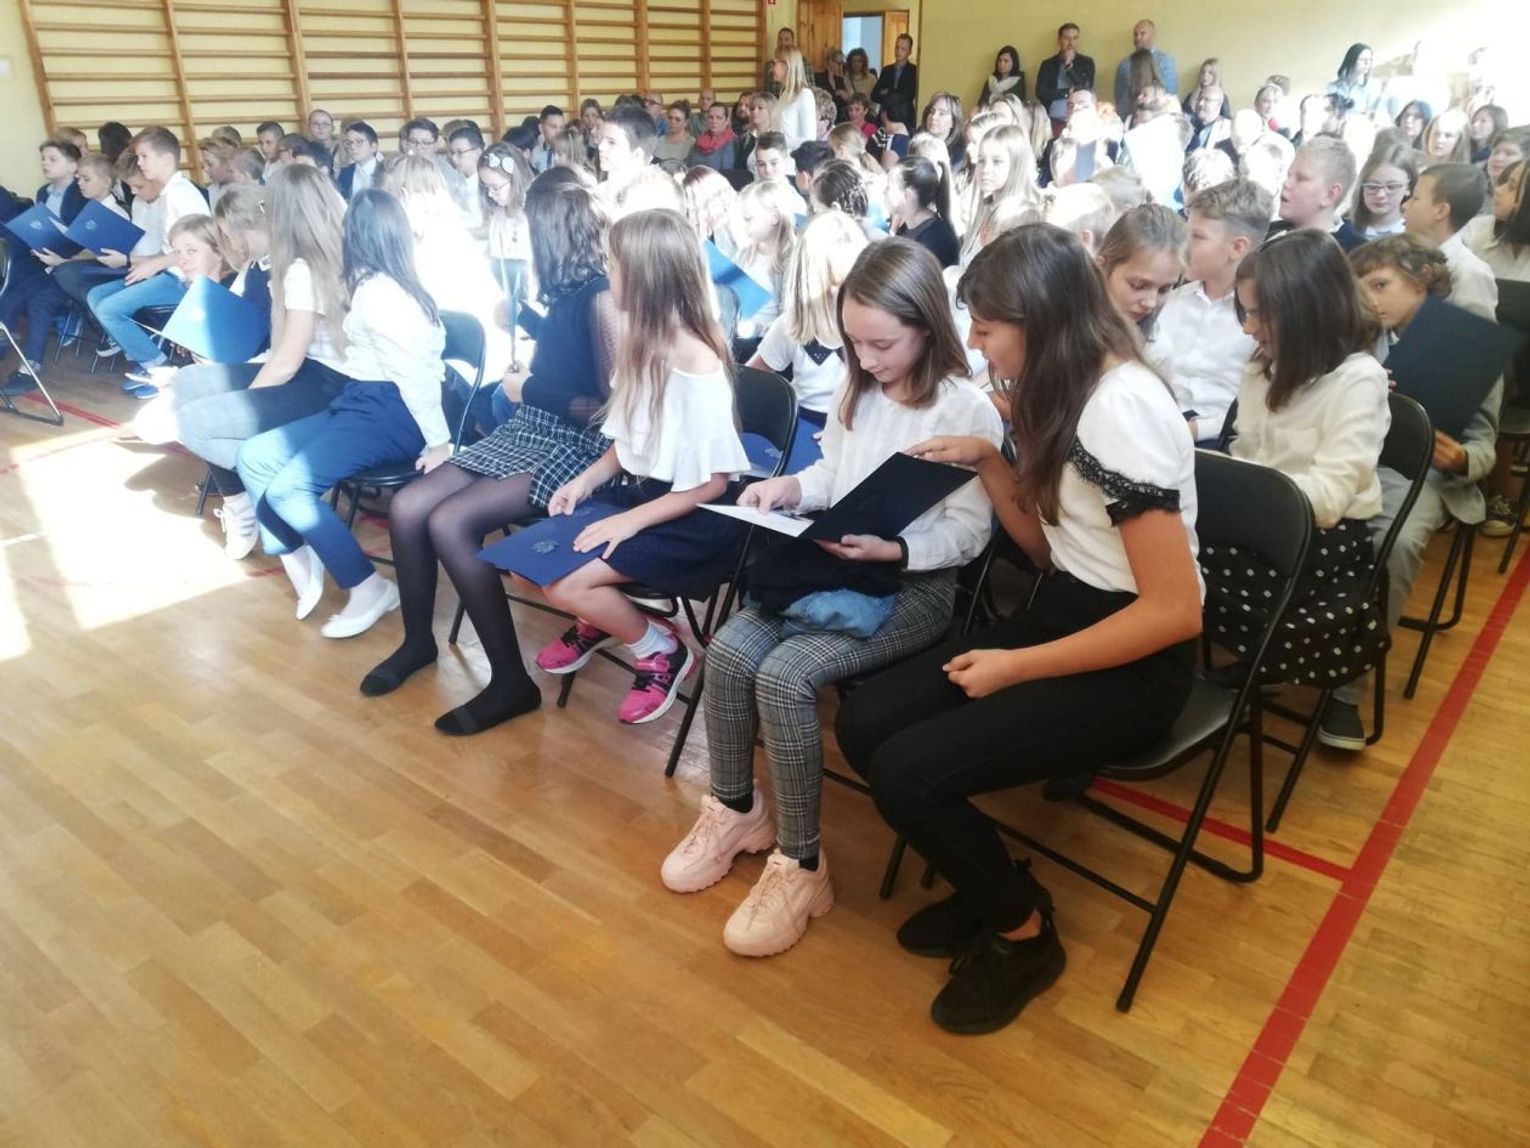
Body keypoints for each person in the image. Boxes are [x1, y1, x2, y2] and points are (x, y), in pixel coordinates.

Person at [832, 223, 1201, 1034]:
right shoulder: (1062, 388)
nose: (975, 342)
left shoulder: (1123, 408)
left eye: (987, 326)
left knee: (907, 773)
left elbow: (1174, 611)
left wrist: (1017, 667)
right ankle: (996, 888)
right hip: (1069, 612)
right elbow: (1043, 552)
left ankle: (1026, 936)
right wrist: (991, 461)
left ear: (1040, 322)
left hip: (1138, 661)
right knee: (865, 723)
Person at [664, 236, 1002, 958]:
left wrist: (896, 550)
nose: (868, 359)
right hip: (838, 569)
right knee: (728, 652)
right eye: (855, 343)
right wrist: (789, 488)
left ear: (927, 327)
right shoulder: (863, 387)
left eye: (883, 344)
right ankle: (735, 807)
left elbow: (970, 536)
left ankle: (802, 863)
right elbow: (833, 476)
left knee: (785, 677)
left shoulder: (967, 410)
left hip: (913, 587)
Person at [357, 171, 619, 732]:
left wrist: (531, 389)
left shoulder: (601, 298)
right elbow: (569, 356)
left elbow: (608, 410)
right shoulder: (572, 291)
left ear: (553, 232)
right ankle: (417, 641)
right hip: (533, 427)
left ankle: (510, 682)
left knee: (450, 522)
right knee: (408, 506)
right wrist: (524, 320)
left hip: (580, 447)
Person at [532, 209, 753, 725]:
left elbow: (712, 483)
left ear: (645, 276)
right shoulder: (639, 341)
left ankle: (661, 649)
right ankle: (607, 616)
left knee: (563, 584)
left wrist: (629, 521)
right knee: (529, 566)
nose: (606, 275)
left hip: (693, 517)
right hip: (644, 494)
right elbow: (629, 443)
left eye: (613, 265)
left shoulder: (698, 360)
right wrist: (584, 481)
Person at [236, 189, 447, 639]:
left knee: (290, 490)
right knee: (254, 456)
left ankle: (369, 588)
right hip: (366, 399)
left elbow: (415, 378)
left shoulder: (384, 295)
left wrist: (439, 442)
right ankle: (304, 548)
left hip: (394, 411)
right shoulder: (375, 283)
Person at [1319, 235, 1500, 747]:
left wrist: (1460, 458)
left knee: (1393, 543)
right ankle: (1284, 645)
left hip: (1425, 471)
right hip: (1357, 455)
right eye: (1361, 288)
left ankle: (1346, 692)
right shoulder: (1355, 336)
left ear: (1421, 283)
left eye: (1381, 285)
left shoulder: (1467, 345)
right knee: (1301, 512)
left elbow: (1484, 444)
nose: (1369, 299)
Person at [1221, 230, 1389, 694]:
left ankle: (1266, 666)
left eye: (1259, 313)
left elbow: (1329, 499)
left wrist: (1241, 491)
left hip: (1324, 540)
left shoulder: (1359, 379)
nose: (1248, 328)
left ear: (1307, 310)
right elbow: (1245, 451)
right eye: (1245, 312)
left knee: (1190, 565)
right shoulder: (1261, 365)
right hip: (1262, 520)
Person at [84, 127, 210, 384]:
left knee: (109, 309)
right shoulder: (167, 194)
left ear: (166, 160)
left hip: (185, 281)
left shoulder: (180, 195)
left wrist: (147, 265)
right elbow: (167, 250)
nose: (140, 162)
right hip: (168, 274)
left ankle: (160, 368)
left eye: (144, 157)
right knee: (96, 296)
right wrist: (144, 263)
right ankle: (143, 354)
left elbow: (196, 249)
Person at [747, 212, 868, 474]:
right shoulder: (790, 325)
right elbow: (748, 380)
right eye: (835, 283)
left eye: (854, 281)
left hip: (856, 425)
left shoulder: (872, 327)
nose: (843, 293)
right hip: (800, 427)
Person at [1158, 179, 1270, 445]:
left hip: (1215, 440)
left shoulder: (1261, 322)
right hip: (1157, 421)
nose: (1183, 246)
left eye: (1197, 237)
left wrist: (1193, 431)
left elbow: (1256, 408)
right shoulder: (1172, 300)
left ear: (1237, 247)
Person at [1096, 203, 1185, 380]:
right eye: (1138, 286)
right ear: (1101, 267)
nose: (1150, 303)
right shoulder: (1062, 319)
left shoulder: (1156, 351)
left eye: (1164, 290)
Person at [1402, 163, 1497, 320]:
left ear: (1441, 211)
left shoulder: (1470, 272)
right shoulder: (1401, 252)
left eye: (1415, 198)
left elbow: (1474, 332)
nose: (1405, 205)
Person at [961, 124, 1040, 264]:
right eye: (981, 160)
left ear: (1016, 164)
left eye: (997, 161)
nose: (985, 169)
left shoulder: (1020, 218)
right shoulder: (987, 208)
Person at [1275, 136, 1363, 251]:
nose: (1286, 183)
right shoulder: (1272, 232)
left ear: (1330, 194)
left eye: (1301, 179)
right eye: (1289, 175)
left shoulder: (1348, 254)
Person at [887, 155, 959, 267]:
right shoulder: (908, 228)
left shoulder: (933, 243)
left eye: (889, 186)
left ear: (907, 195)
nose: (884, 191)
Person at [1351, 143, 1417, 239]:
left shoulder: (1414, 235)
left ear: (1408, 188)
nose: (1380, 195)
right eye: (1372, 187)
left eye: (1391, 187)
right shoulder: (1344, 230)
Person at [1113, 19, 1177, 114]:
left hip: (1159, 116)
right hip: (1129, 116)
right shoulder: (1124, 64)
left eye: (1142, 34)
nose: (1138, 38)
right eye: (1135, 34)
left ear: (1152, 35)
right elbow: (1119, 96)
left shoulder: (1166, 62)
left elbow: (1171, 94)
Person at [1037, 23, 1095, 126]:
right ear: (1059, 40)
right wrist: (1067, 92)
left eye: (1075, 38)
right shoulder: (1047, 64)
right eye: (1067, 38)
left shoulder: (1087, 62)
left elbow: (1085, 89)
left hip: (1079, 118)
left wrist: (1069, 68)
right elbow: (1041, 92)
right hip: (1052, 119)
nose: (1071, 43)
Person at [769, 48, 817, 154]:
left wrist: (777, 142)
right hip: (777, 156)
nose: (771, 69)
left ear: (786, 65)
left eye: (774, 63)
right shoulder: (784, 93)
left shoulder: (805, 95)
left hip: (793, 159)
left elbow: (809, 139)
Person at [871, 34, 919, 132]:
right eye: (897, 47)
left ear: (909, 51)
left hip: (905, 118)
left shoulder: (914, 71)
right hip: (884, 117)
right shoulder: (886, 70)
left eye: (903, 49)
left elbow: (908, 96)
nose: (898, 51)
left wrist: (888, 91)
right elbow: (874, 95)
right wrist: (896, 93)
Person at [1326, 44, 1379, 117]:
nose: (1367, 63)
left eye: (1370, 60)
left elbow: (1373, 116)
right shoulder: (1333, 86)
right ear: (1352, 59)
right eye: (1362, 59)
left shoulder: (1372, 87)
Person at [920, 92, 967, 172]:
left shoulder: (959, 153)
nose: (934, 117)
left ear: (953, 122)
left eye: (941, 113)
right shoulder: (918, 141)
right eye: (932, 111)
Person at [336, 121, 381, 199]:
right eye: (348, 143)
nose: (352, 147)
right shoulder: (345, 173)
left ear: (373, 147)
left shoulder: (386, 172)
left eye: (359, 142)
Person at [689, 101, 738, 171]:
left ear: (727, 121)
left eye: (719, 118)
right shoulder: (700, 140)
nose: (714, 121)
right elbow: (689, 164)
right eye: (710, 117)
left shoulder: (732, 143)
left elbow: (727, 171)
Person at [1181, 58, 1231, 123]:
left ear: (1216, 76)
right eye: (1202, 72)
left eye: (1210, 73)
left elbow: (1227, 120)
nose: (1205, 76)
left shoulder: (1222, 98)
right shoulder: (1191, 96)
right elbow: (1182, 116)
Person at [529, 105, 566, 174]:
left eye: (561, 128)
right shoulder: (534, 153)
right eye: (553, 127)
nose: (558, 132)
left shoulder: (570, 153)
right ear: (541, 128)